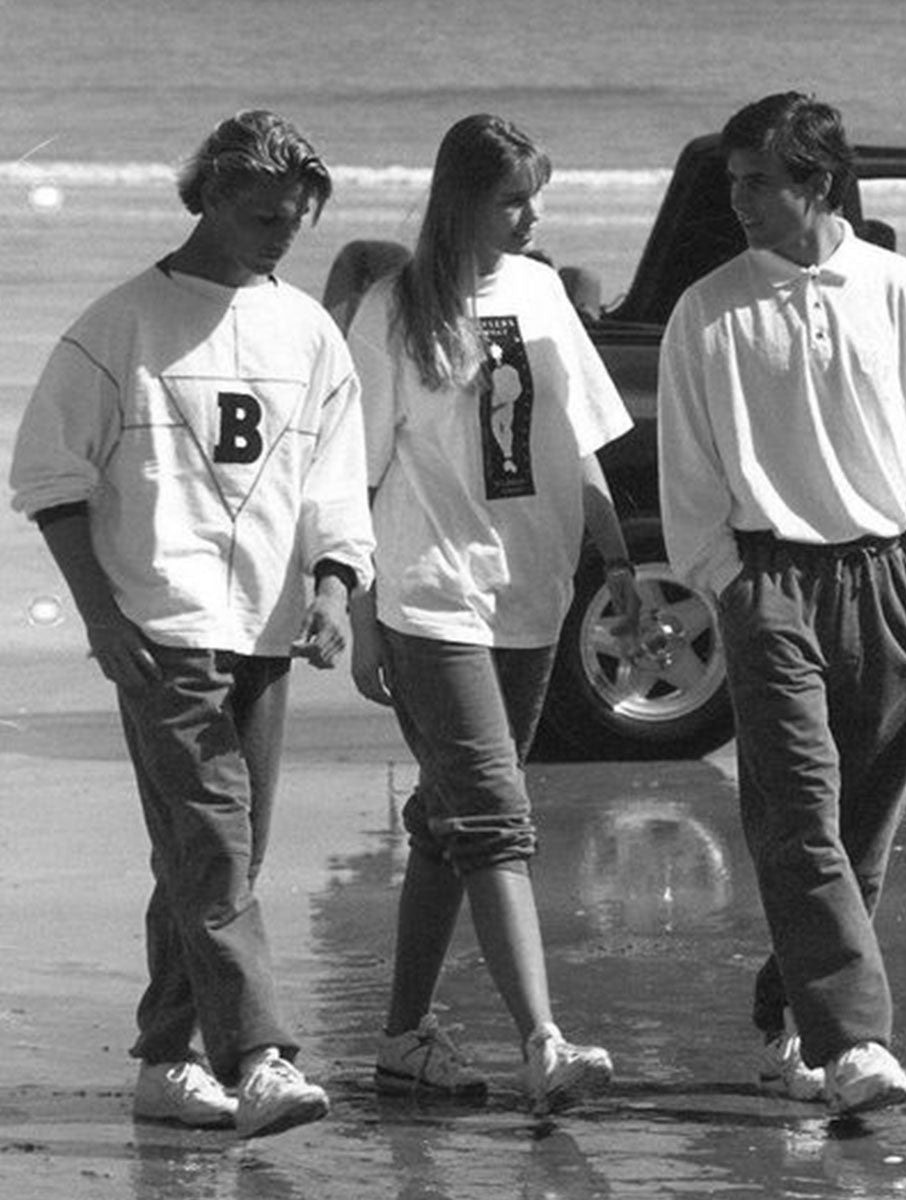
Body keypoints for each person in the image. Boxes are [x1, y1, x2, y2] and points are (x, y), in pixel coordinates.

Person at [9, 110, 376, 1139]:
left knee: (219, 857)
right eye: (263, 217)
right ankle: (258, 1059)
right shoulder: (120, 324)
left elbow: (334, 478)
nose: (280, 236)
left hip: (266, 625)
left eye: (295, 221)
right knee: (212, 845)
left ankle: (165, 1062)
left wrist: (334, 588)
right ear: (210, 195)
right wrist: (101, 616)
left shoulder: (309, 332)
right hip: (160, 626)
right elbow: (48, 478)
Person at [657, 92, 906, 1116]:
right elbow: (688, 471)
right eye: (733, 181)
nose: (739, 199)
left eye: (759, 181)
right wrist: (730, 584)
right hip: (771, 585)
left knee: (859, 836)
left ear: (819, 181)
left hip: (890, 581)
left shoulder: (904, 291)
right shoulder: (707, 309)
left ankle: (789, 1018)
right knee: (798, 817)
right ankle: (855, 1044)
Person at [346, 113, 641, 1115]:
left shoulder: (542, 291)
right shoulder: (392, 310)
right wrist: (360, 614)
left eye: (536, 198)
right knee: (495, 820)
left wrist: (618, 560)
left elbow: (579, 438)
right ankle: (543, 1044)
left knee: (449, 821)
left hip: (533, 592)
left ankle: (403, 1041)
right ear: (462, 200)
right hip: (432, 594)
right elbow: (352, 474)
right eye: (514, 200)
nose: (532, 217)